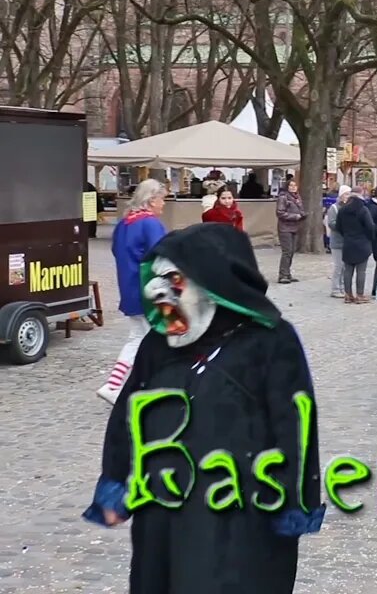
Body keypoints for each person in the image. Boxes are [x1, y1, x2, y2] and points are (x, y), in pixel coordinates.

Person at [83, 223, 324, 593]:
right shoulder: (157, 345)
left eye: (174, 278)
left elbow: (296, 425)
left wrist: (296, 500)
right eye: (157, 278)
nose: (158, 290)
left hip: (241, 515)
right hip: (163, 512)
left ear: (215, 283)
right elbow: (127, 418)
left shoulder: (271, 341)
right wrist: (114, 484)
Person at [97, 180, 168, 405]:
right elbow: (162, 256)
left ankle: (113, 384)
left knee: (137, 337)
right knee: (160, 339)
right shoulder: (151, 224)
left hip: (129, 287)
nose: (163, 204)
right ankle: (155, 387)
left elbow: (115, 251)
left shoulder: (124, 223)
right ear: (151, 199)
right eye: (162, 199)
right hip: (150, 289)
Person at [336, 187, 375, 303]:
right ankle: (359, 295)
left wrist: (346, 235)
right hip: (362, 243)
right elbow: (370, 226)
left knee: (348, 270)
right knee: (361, 271)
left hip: (348, 242)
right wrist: (369, 238)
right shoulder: (363, 209)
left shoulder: (343, 210)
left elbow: (338, 227)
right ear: (361, 195)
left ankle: (348, 295)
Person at [275, 179, 306, 284]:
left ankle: (287, 273)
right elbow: (280, 213)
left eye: (295, 185)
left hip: (295, 227)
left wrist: (302, 214)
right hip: (285, 228)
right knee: (287, 252)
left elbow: (300, 209)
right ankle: (283, 275)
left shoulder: (297, 197)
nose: (293, 187)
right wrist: (295, 216)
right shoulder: (283, 197)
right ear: (287, 187)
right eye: (291, 185)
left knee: (292, 251)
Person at [325, 186, 353, 298]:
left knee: (345, 266)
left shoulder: (349, 207)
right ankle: (335, 289)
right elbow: (331, 223)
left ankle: (342, 287)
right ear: (341, 195)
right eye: (346, 194)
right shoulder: (334, 208)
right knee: (338, 266)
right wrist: (343, 225)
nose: (348, 196)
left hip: (347, 241)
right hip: (337, 241)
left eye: (349, 194)